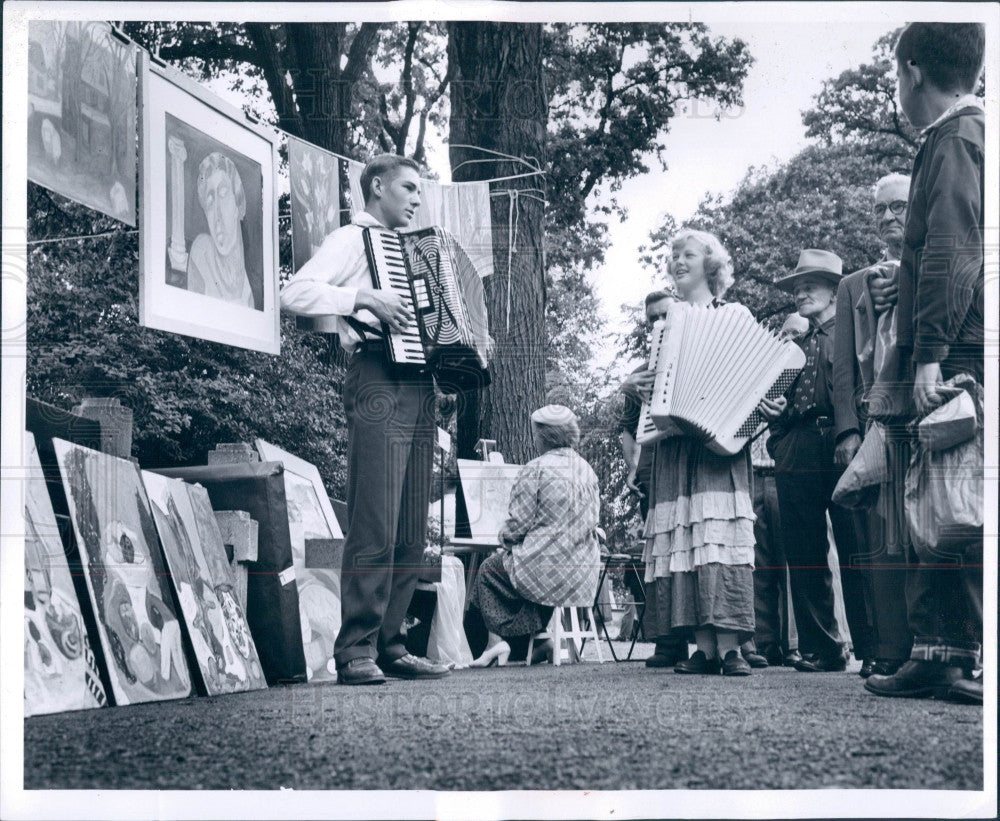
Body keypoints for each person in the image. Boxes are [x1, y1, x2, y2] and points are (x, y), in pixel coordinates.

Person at [280, 153, 450, 685]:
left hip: (421, 386)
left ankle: (392, 643)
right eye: (408, 188)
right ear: (377, 187)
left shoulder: (417, 252)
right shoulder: (354, 240)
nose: (417, 199)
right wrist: (361, 297)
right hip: (377, 376)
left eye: (420, 191)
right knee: (374, 515)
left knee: (409, 524)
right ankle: (354, 649)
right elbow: (292, 294)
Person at [865, 23, 984, 705]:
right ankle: (938, 650)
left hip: (957, 350)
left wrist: (931, 351)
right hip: (956, 341)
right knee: (938, 499)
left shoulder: (955, 138)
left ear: (911, 71)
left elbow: (953, 248)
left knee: (956, 496)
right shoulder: (962, 136)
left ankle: (959, 654)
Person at [643, 229, 756, 677]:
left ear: (710, 264)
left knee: (718, 533)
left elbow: (757, 376)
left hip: (719, 444)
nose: (677, 261)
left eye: (687, 254)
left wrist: (762, 404)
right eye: (673, 255)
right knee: (688, 540)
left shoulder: (736, 315)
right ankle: (704, 648)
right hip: (675, 444)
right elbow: (657, 391)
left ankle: (731, 648)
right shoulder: (664, 326)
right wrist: (637, 387)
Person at [759, 249, 876, 673]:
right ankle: (822, 648)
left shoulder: (856, 336)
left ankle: (872, 649)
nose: (800, 293)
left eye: (809, 285)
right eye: (795, 288)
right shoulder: (791, 348)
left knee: (856, 545)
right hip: (798, 445)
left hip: (843, 440)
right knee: (804, 550)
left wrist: (858, 437)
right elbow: (778, 403)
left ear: (833, 289)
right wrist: (780, 437)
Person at [832, 172, 915, 678]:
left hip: (928, 416)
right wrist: (848, 431)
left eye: (899, 206)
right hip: (877, 426)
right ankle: (888, 647)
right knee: (881, 537)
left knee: (931, 531)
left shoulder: (936, 267)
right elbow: (843, 366)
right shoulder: (852, 285)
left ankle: (936, 644)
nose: (888, 217)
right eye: (881, 209)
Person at [469, 405, 601, 666]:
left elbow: (519, 523)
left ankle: (495, 643)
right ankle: (541, 639)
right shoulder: (588, 470)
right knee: (529, 572)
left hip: (546, 569)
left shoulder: (536, 468)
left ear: (543, 436)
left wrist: (504, 540)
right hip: (582, 571)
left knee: (489, 570)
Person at [616, 289, 689, 662]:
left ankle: (735, 641)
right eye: (651, 319)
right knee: (659, 549)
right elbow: (627, 427)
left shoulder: (696, 349)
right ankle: (669, 640)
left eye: (664, 315)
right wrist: (632, 468)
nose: (658, 323)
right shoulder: (639, 374)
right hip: (655, 468)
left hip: (695, 462)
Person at [743, 311, 808, 668]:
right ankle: (765, 642)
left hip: (785, 472)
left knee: (795, 559)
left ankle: (797, 644)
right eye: (784, 333)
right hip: (753, 473)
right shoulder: (757, 374)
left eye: (797, 334)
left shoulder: (804, 378)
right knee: (759, 562)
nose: (788, 339)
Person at [187, 152, 256, 308]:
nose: (217, 213)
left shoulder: (252, 285)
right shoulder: (202, 251)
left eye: (223, 193)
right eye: (210, 201)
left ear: (239, 205)